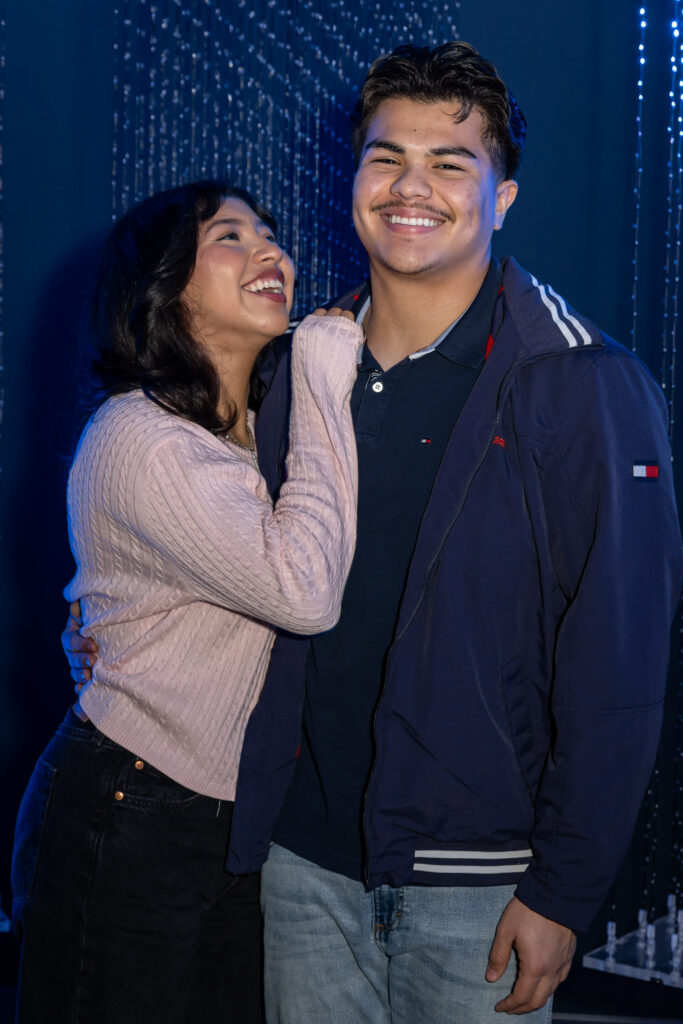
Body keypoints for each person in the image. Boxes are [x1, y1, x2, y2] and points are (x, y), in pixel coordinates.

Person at [65, 43, 683, 1023]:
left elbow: (620, 664)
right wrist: (104, 628)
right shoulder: (292, 372)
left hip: (479, 887)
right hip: (295, 866)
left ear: (503, 197)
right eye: (387, 157)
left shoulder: (582, 383)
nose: (412, 186)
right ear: (351, 178)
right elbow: (201, 551)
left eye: (451, 163)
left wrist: (563, 889)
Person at [13, 179, 363, 1023]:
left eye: (270, 234)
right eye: (230, 237)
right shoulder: (140, 434)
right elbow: (303, 593)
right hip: (134, 804)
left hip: (237, 820)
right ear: (165, 288)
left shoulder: (263, 436)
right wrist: (322, 376)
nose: (270, 250)